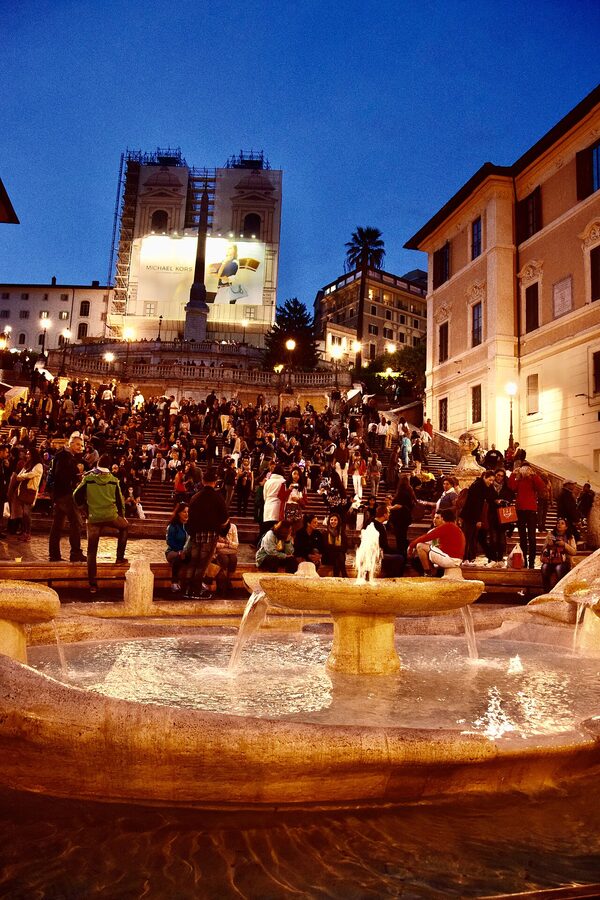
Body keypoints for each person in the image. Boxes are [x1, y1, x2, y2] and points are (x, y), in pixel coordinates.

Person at [73, 454, 128, 594]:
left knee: (92, 551)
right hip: (111, 515)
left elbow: (75, 495)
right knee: (125, 527)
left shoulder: (89, 478)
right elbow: (120, 500)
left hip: (93, 518)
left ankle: (93, 584)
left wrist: (83, 508)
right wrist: (122, 515)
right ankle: (120, 558)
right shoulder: (114, 480)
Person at [185, 467, 229, 600]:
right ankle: (196, 590)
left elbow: (190, 518)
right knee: (202, 564)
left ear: (203, 481)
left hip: (196, 534)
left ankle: (187, 588)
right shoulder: (218, 498)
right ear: (215, 482)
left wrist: (192, 532)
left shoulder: (195, 497)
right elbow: (224, 519)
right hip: (210, 535)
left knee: (193, 562)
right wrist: (222, 532)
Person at [48, 432, 87, 563]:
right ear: (70, 443)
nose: (79, 447)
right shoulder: (65, 457)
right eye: (77, 444)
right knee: (76, 522)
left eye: (81, 445)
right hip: (65, 494)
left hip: (59, 494)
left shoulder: (64, 456)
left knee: (57, 525)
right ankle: (75, 553)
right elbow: (61, 476)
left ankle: (54, 554)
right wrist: (76, 474)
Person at [407, 509, 466, 576]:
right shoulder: (456, 528)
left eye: (438, 518)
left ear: (443, 518)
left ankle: (428, 573)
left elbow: (426, 537)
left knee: (420, 546)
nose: (435, 520)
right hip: (456, 559)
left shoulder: (447, 526)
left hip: (450, 559)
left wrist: (411, 546)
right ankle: (431, 572)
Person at [508, 464, 545, 569]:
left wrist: (534, 475)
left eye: (526, 469)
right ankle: (524, 560)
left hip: (531, 511)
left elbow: (541, 487)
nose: (524, 471)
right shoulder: (519, 480)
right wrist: (513, 474)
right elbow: (512, 487)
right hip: (520, 511)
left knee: (532, 538)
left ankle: (532, 561)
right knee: (522, 538)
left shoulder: (533, 479)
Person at [460, 470, 495, 565]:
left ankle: (468, 558)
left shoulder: (485, 486)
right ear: (484, 477)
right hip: (470, 516)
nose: (491, 482)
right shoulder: (478, 486)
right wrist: (478, 520)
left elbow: (491, 497)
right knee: (467, 538)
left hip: (474, 516)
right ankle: (465, 559)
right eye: (489, 480)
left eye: (492, 480)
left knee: (473, 538)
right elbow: (475, 505)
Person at [14, 447, 43, 542]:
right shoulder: (27, 464)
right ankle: (24, 532)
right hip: (23, 490)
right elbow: (19, 474)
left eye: (29, 454)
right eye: (27, 454)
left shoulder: (38, 465)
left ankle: (28, 533)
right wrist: (21, 476)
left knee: (27, 513)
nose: (27, 456)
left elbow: (31, 474)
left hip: (30, 491)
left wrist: (21, 477)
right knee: (23, 513)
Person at [541, 517, 577, 593]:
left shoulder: (570, 537)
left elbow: (574, 552)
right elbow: (543, 550)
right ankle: (547, 592)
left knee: (559, 568)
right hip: (551, 560)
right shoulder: (550, 535)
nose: (559, 525)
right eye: (558, 523)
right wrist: (548, 544)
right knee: (544, 567)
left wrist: (564, 544)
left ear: (566, 527)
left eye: (562, 523)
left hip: (564, 561)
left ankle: (560, 592)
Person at [372, 503, 405, 577]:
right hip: (376, 553)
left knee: (399, 554)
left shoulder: (375, 523)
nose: (389, 514)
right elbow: (383, 546)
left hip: (378, 551)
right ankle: (391, 576)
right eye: (388, 513)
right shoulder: (378, 526)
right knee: (400, 557)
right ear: (384, 515)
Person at [165, 502, 189, 593]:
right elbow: (170, 541)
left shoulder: (189, 526)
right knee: (178, 557)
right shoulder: (173, 526)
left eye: (188, 512)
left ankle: (196, 581)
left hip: (186, 552)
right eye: (184, 512)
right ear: (178, 513)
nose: (187, 514)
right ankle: (174, 583)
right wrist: (180, 551)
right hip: (172, 551)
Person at [213, 520, 239, 594]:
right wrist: (226, 545)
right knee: (224, 560)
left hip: (230, 551)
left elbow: (236, 545)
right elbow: (214, 544)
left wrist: (226, 543)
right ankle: (224, 582)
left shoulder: (233, 527)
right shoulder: (216, 527)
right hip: (219, 551)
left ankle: (228, 580)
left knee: (233, 559)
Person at [261, 465, 287, 534]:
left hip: (268, 505)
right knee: (276, 527)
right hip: (278, 506)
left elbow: (265, 495)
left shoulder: (268, 481)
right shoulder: (283, 482)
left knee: (267, 527)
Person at [324, 512, 348, 577]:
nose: (333, 521)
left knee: (338, 557)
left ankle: (336, 576)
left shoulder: (341, 532)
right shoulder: (325, 532)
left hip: (338, 557)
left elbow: (345, 548)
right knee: (339, 555)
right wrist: (337, 548)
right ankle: (344, 574)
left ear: (338, 521)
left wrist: (334, 548)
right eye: (331, 520)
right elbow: (326, 547)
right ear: (329, 521)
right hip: (328, 557)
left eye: (335, 520)